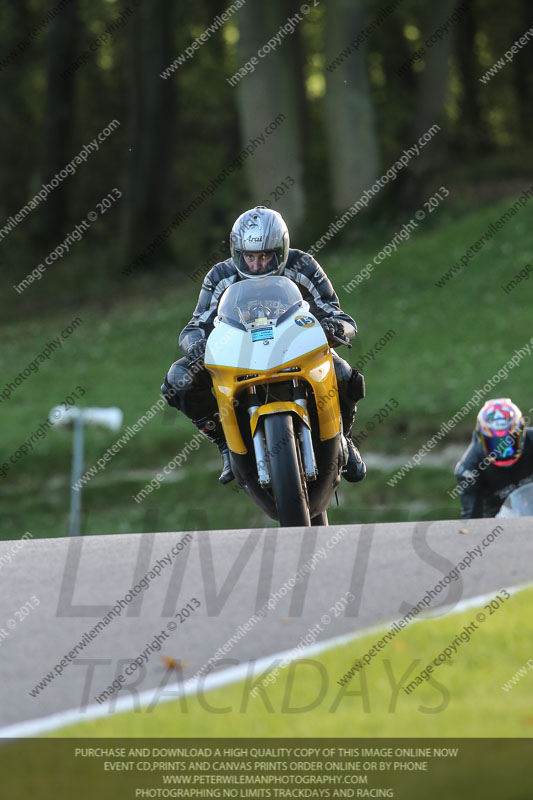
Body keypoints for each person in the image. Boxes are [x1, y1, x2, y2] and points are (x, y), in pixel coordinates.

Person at [162, 206, 366, 485]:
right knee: (178, 379)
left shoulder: (304, 265)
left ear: (281, 250)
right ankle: (225, 444)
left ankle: (344, 438)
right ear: (237, 253)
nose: (256, 265)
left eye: (265, 256)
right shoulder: (219, 276)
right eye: (249, 257)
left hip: (297, 349)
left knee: (345, 375)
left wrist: (334, 328)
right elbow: (194, 326)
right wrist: (196, 345)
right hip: (237, 355)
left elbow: (340, 315)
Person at [454, 398, 533, 518]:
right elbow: (472, 516)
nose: (503, 452)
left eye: (510, 442)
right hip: (496, 521)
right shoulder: (469, 468)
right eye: (495, 444)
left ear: (521, 434)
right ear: (482, 439)